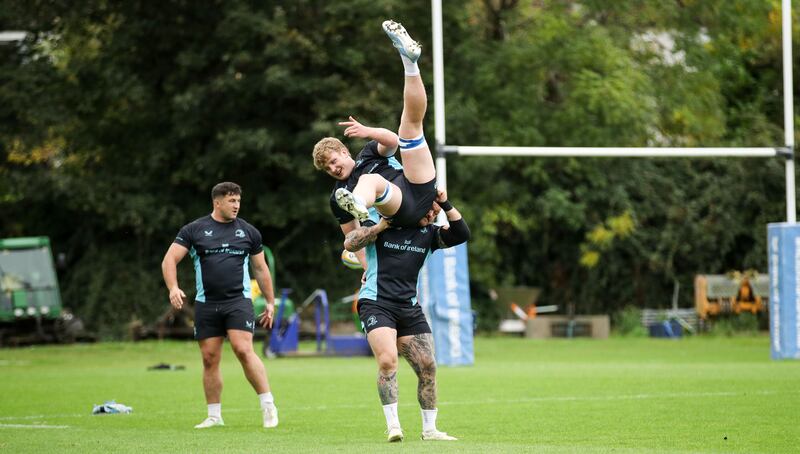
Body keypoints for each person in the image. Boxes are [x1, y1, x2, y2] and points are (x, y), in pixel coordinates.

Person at [344, 188, 469, 442]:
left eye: (436, 210)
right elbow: (350, 243)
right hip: (376, 303)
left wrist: (445, 202)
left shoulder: (430, 234)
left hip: (409, 307)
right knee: (388, 361)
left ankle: (430, 430)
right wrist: (380, 227)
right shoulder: (383, 220)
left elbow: (461, 233)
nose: (433, 214)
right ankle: (393, 427)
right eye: (430, 208)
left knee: (428, 366)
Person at [312, 20, 437, 269]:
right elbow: (350, 237)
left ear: (344, 151)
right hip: (399, 212)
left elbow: (393, 141)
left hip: (418, 188)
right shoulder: (337, 197)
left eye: (334, 161)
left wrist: (368, 131)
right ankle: (360, 202)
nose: (334, 168)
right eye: (328, 168)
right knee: (371, 182)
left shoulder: (368, 154)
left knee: (410, 127)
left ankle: (409, 61)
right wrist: (367, 271)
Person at [161, 182, 279, 429]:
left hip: (238, 302)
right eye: (231, 201)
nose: (236, 205)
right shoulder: (194, 230)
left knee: (243, 349)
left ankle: (268, 405)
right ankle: (214, 416)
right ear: (217, 202)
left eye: (238, 201)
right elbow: (170, 259)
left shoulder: (248, 232)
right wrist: (173, 287)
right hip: (207, 304)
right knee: (209, 358)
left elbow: (260, 268)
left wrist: (270, 301)